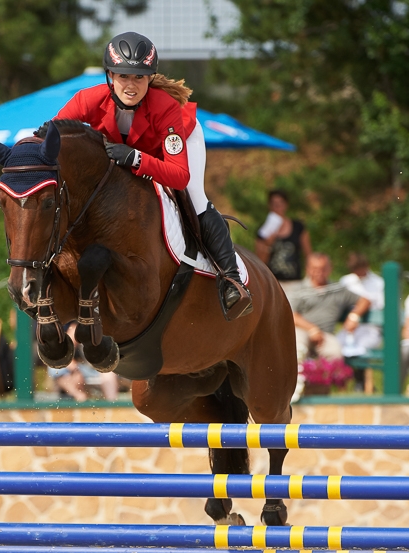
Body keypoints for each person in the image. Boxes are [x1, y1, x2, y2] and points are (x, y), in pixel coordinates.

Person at [53, 31, 252, 319]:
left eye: (139, 77)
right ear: (109, 75)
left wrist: (136, 158)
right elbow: (50, 140)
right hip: (135, 152)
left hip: (178, 140)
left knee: (195, 197)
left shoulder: (166, 108)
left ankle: (231, 280)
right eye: (123, 76)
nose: (131, 85)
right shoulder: (86, 100)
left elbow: (179, 176)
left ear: (150, 78)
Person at [290, 253, 371, 401]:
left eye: (323, 268)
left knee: (335, 352)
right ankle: (295, 387)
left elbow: (365, 300)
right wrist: (312, 329)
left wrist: (354, 316)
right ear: (308, 269)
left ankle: (323, 392)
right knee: (297, 346)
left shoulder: (337, 289)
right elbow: (291, 315)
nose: (319, 272)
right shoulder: (299, 289)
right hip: (302, 331)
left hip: (326, 335)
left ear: (329, 269)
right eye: (315, 268)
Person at [255, 189, 312, 296]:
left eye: (280, 203)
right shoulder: (263, 231)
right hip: (273, 282)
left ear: (286, 205)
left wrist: (309, 277)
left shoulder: (298, 227)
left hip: (295, 282)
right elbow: (259, 262)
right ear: (269, 206)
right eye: (274, 204)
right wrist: (268, 245)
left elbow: (308, 253)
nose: (277, 207)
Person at [47, 323, 119, 401]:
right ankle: (81, 399)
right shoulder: (76, 328)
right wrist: (76, 370)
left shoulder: (106, 326)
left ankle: (112, 405)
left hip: (107, 369)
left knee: (108, 372)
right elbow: (62, 355)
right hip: (86, 370)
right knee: (56, 368)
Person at [336, 252, 384, 368]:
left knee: (362, 347)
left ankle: (362, 380)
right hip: (349, 329)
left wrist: (356, 315)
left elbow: (381, 306)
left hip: (370, 328)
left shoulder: (378, 282)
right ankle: (345, 379)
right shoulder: (346, 281)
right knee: (337, 346)